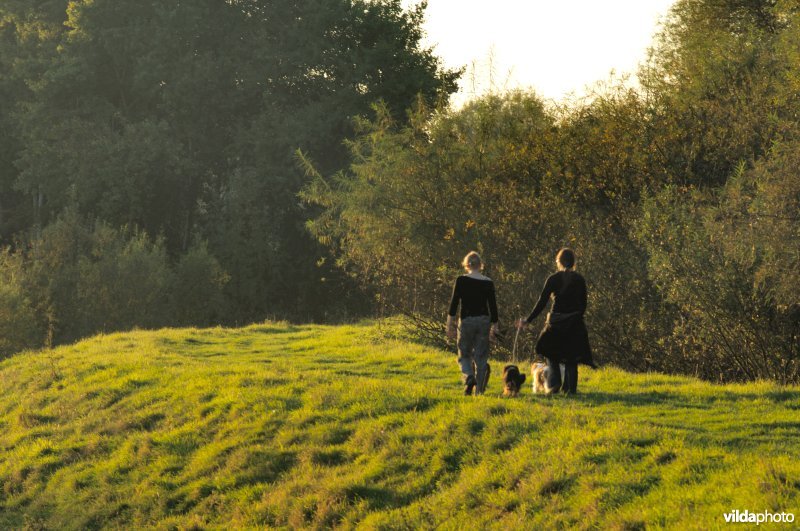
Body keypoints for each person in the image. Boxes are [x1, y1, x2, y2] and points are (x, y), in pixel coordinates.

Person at [517, 248, 594, 394]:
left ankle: (555, 383)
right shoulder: (579, 279)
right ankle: (571, 390)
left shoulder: (553, 278)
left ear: (558, 261)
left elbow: (542, 302)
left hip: (556, 323)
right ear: (573, 262)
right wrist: (576, 317)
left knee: (550, 353)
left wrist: (528, 319)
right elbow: (584, 304)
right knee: (572, 358)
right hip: (574, 323)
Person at [447, 251, 499, 395]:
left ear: (466, 264)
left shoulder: (461, 280)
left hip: (467, 321)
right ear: (480, 265)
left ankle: (469, 376)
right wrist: (495, 326)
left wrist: (449, 325)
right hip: (483, 321)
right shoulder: (488, 282)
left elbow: (453, 304)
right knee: (481, 357)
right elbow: (493, 307)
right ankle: (479, 392)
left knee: (464, 354)